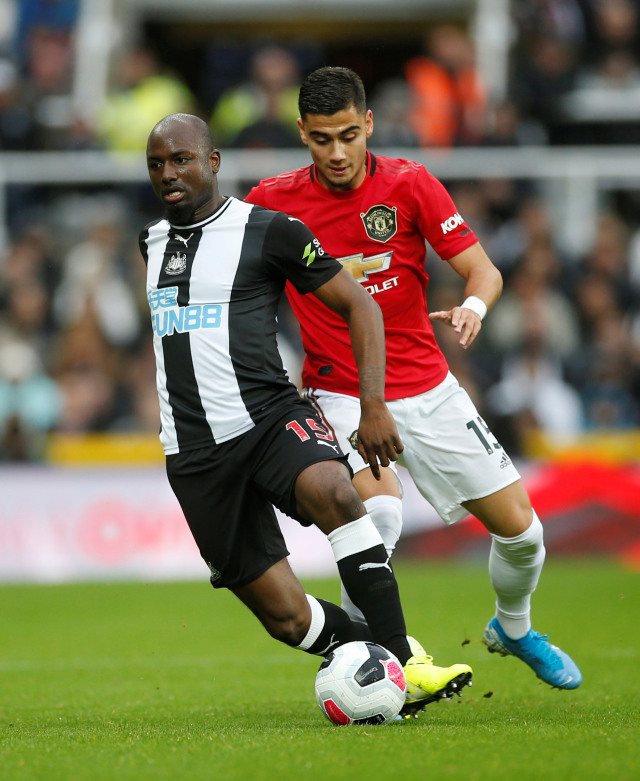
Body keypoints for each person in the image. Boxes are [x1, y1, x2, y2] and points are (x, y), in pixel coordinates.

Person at [246, 67, 582, 690]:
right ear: (302, 134)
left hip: (430, 387)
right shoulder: (272, 202)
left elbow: (483, 272)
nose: (338, 152)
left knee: (524, 534)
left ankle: (512, 628)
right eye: (322, 139)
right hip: (341, 392)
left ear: (369, 123)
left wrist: (473, 308)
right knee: (379, 519)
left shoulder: (410, 184)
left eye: (349, 134)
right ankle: (368, 662)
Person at [139, 112, 473, 716]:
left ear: (212, 163)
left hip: (269, 418)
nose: (169, 173)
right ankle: (375, 656)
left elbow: (361, 307)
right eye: (157, 164)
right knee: (287, 618)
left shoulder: (268, 230)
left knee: (336, 493)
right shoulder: (151, 242)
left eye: (182, 159)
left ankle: (402, 661)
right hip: (193, 455)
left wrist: (373, 406)